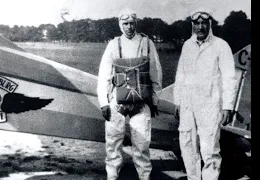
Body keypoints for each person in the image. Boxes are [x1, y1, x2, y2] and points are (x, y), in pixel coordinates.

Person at [97, 8, 162, 180]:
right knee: (113, 143)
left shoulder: (147, 43)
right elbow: (104, 75)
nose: (129, 27)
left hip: (141, 103)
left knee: (141, 145)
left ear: (136, 24)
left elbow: (155, 72)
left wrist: (154, 100)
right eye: (125, 24)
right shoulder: (113, 44)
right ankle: (112, 177)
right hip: (117, 102)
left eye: (132, 23)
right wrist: (104, 102)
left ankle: (144, 177)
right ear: (120, 25)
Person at [173, 8, 237, 180]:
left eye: (204, 23)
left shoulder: (221, 46)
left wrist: (227, 107)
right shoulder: (187, 45)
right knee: (187, 147)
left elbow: (230, 78)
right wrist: (177, 101)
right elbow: (180, 75)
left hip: (209, 105)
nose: (200, 27)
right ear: (192, 25)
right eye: (197, 23)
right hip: (187, 106)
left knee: (209, 151)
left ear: (210, 24)